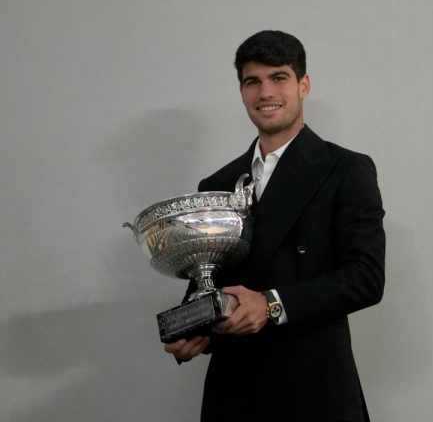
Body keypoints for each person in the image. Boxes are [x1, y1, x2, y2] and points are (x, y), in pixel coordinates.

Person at [163, 30, 386, 421]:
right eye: (253, 82)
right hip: (233, 394)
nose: (265, 92)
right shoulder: (215, 184)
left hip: (314, 390)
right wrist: (193, 328)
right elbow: (208, 283)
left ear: (303, 85)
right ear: (242, 92)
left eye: (278, 78)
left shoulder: (346, 169)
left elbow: (365, 277)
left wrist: (270, 304)